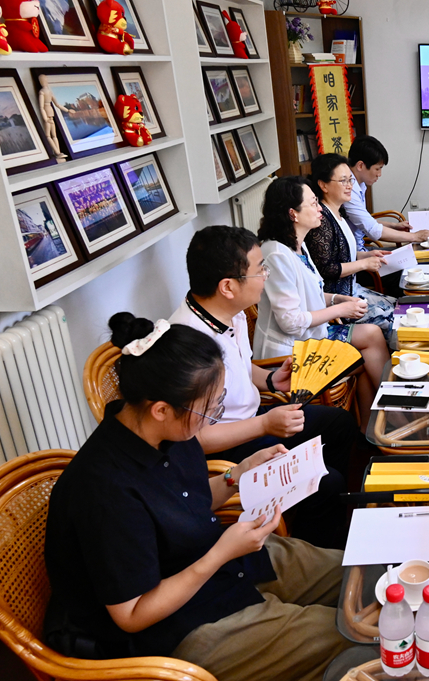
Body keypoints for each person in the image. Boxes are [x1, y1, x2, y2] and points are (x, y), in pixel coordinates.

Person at [44, 313, 353, 680]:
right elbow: (132, 615)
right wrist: (222, 552)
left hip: (220, 562)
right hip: (180, 624)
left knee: (363, 577)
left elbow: (188, 503)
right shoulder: (105, 492)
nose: (212, 418)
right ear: (161, 409)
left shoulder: (163, 432)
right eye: (209, 409)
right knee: (350, 636)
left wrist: (237, 475)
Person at [169, 224, 359, 548]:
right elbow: (195, 439)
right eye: (260, 270)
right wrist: (264, 425)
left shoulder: (230, 311)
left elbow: (241, 369)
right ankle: (311, 549)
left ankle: (335, 516)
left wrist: (270, 379)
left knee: (339, 424)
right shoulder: (189, 344)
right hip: (227, 448)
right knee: (326, 483)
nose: (266, 277)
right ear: (228, 286)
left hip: (256, 420)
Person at [253, 176, 389, 424]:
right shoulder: (275, 255)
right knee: (368, 356)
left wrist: (338, 299)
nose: (319, 209)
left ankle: (374, 424)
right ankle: (389, 414)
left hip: (312, 337)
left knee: (372, 336)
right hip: (292, 354)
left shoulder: (297, 245)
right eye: (313, 203)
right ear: (293, 213)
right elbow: (291, 322)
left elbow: (311, 293)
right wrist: (342, 308)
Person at [306, 153, 395, 338]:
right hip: (337, 302)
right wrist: (363, 264)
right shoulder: (321, 221)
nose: (349, 186)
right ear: (323, 185)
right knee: (395, 320)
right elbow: (327, 269)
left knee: (399, 306)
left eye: (350, 180)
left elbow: (343, 253)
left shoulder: (339, 212)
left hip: (353, 289)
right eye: (343, 181)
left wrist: (367, 255)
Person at [344, 135, 429, 253]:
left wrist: (394, 225)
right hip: (356, 255)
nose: (379, 174)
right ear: (360, 166)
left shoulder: (360, 184)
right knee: (417, 255)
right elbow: (372, 229)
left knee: (416, 253)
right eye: (377, 169)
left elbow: (364, 220)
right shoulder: (348, 189)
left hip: (361, 249)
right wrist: (415, 236)